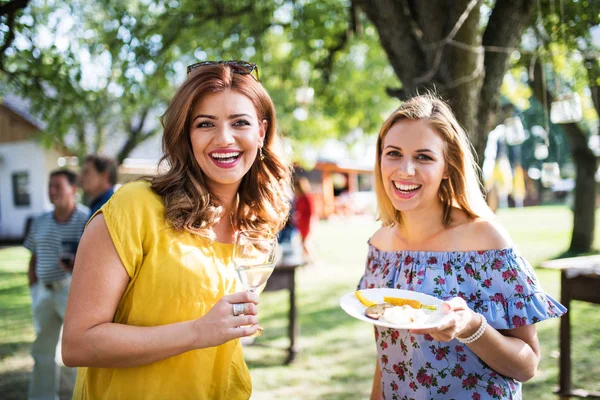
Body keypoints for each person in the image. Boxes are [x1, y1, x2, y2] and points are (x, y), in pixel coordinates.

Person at [61, 60, 292, 399]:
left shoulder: (256, 226)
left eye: (239, 122)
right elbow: (77, 344)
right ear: (186, 134)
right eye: (205, 124)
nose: (223, 138)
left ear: (261, 131)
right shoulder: (134, 207)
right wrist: (198, 332)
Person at [358, 94, 566, 400]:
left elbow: (527, 365)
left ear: (447, 166)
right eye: (393, 153)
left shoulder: (486, 242)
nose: (405, 170)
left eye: (424, 157)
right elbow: (388, 355)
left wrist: (471, 327)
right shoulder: (380, 245)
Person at [23, 169, 89, 400]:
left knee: (76, 351)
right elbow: (33, 256)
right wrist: (33, 289)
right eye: (49, 186)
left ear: (73, 189)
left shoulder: (87, 219)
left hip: (72, 291)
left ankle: (82, 396)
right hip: (43, 292)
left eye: (57, 186)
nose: (51, 191)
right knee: (42, 349)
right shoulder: (39, 221)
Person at [80, 154, 118, 219]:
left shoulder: (109, 208)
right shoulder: (100, 205)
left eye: (86, 172)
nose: (80, 176)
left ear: (104, 176)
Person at [293, 176, 315, 263]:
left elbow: (311, 212)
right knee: (302, 243)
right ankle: (305, 260)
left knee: (306, 243)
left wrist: (310, 225)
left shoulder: (307, 197)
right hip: (301, 224)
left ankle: (311, 260)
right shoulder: (299, 198)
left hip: (307, 224)